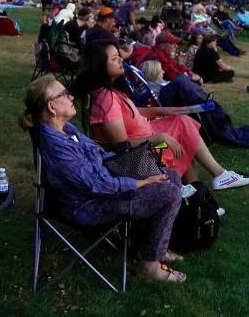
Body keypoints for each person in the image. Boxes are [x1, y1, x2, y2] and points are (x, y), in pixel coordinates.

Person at [19, 74, 187, 283]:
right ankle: (149, 265)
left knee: (168, 175)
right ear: (52, 106)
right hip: (88, 204)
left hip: (102, 185)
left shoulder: (66, 129)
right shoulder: (57, 146)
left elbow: (99, 154)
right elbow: (94, 184)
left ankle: (151, 247)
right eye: (65, 94)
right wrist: (139, 182)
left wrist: (132, 165)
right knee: (168, 193)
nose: (72, 97)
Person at [79, 40, 249, 190]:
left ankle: (200, 197)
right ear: (100, 65)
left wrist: (163, 110)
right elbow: (121, 146)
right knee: (182, 133)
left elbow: (131, 113)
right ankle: (214, 180)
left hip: (146, 134)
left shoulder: (111, 90)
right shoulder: (106, 99)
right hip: (138, 152)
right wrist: (159, 137)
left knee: (182, 128)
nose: (121, 61)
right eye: (115, 58)